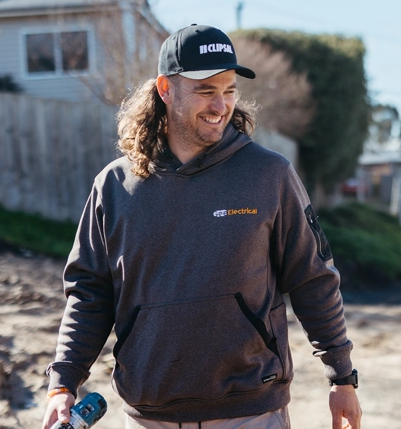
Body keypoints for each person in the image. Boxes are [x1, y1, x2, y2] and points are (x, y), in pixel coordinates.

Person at [41, 25, 361, 429]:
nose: (220, 104)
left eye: (228, 90)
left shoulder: (268, 174)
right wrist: (63, 384)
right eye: (206, 90)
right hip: (149, 415)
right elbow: (89, 292)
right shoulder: (115, 186)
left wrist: (342, 377)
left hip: (249, 412)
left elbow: (313, 278)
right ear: (165, 89)